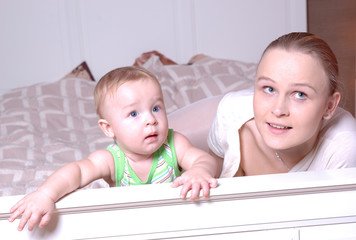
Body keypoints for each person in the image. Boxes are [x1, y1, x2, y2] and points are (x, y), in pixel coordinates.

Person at [8, 66, 221, 231]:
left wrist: (199, 171)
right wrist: (45, 194)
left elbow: (203, 159)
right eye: (134, 114)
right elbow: (77, 171)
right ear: (109, 129)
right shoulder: (112, 159)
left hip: (181, 221)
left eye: (156, 108)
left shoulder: (174, 144)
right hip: (133, 226)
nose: (151, 120)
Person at [169, 32, 356, 178]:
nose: (278, 110)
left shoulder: (343, 147)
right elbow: (216, 180)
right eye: (269, 88)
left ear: (329, 107)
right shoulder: (230, 116)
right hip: (224, 110)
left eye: (300, 94)